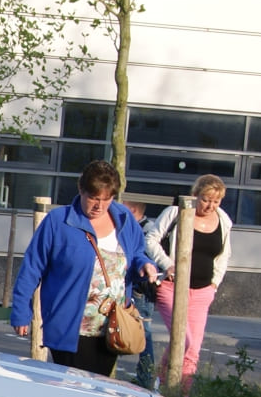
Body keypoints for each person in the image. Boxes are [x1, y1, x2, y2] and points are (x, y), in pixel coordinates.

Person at [11, 160, 158, 376]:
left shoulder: (126, 221)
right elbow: (32, 267)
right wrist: (21, 312)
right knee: (70, 388)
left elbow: (136, 254)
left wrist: (146, 265)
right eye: (94, 198)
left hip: (111, 327)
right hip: (71, 325)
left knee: (97, 390)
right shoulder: (58, 221)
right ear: (81, 189)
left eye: (107, 200)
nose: (99, 206)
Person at [146, 174, 233, 391]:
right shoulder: (176, 213)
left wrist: (214, 284)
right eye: (206, 200)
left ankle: (179, 394)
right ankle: (163, 386)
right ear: (195, 195)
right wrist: (167, 264)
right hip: (172, 288)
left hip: (202, 291)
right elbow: (150, 239)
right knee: (183, 341)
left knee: (193, 349)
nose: (210, 206)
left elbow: (223, 255)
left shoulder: (223, 220)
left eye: (216, 201)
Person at [125, 200, 159, 388]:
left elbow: (144, 259)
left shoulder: (147, 230)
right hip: (136, 288)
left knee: (144, 333)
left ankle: (146, 377)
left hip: (142, 290)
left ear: (133, 209)